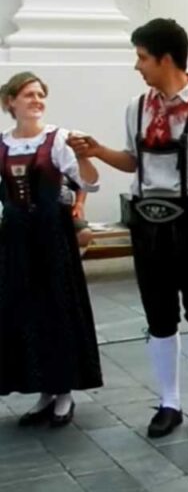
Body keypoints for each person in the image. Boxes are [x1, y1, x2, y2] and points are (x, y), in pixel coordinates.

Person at [67, 19, 188, 439]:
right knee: (158, 315)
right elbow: (134, 162)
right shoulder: (137, 108)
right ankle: (169, 402)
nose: (138, 67)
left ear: (165, 58)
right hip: (147, 222)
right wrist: (98, 151)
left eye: (142, 57)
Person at [0, 72, 103, 428]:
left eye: (40, 94)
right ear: (11, 101)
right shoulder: (2, 142)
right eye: (28, 94)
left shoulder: (58, 139)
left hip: (51, 237)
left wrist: (85, 155)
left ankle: (63, 393)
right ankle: (43, 390)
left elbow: (89, 181)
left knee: (56, 308)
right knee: (26, 312)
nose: (36, 100)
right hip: (16, 239)